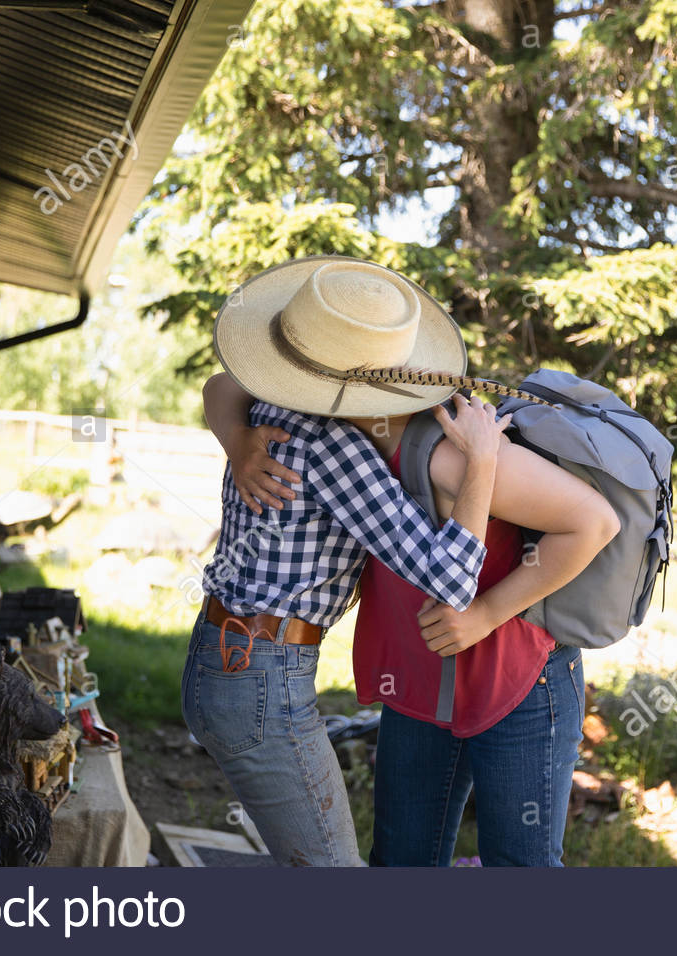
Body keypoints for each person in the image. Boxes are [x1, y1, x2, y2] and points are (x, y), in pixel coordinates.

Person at [209, 306, 620, 869]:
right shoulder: (315, 426)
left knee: (519, 863)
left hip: (517, 678)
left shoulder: (448, 452)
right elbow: (224, 386)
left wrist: (486, 613)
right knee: (402, 861)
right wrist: (238, 440)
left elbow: (595, 523)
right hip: (417, 675)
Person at [185, 255, 511, 866]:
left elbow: (221, 383)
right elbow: (453, 581)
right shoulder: (332, 446)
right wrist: (484, 463)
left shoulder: (264, 410)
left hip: (221, 656)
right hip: (263, 677)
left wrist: (234, 440)